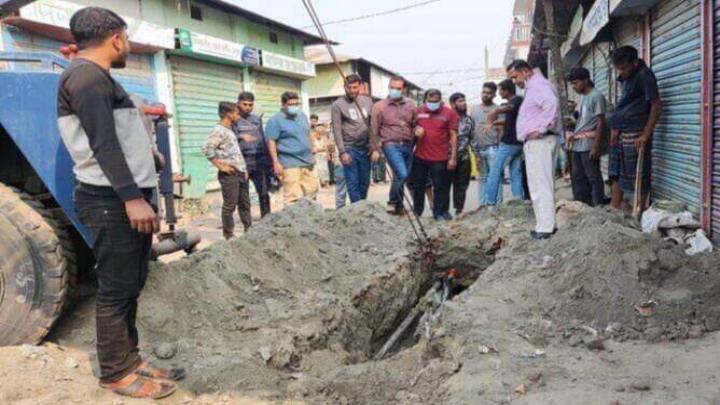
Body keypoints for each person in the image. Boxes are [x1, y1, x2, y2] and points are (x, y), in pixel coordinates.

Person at [57, 7, 182, 398]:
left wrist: (151, 160)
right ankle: (114, 372)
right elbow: (102, 143)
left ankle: (130, 361)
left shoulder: (95, 77)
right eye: (126, 39)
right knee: (116, 288)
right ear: (116, 38)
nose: (127, 45)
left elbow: (118, 135)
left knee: (130, 283)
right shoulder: (86, 78)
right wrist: (132, 198)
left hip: (120, 196)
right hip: (109, 199)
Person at [508, 59, 563, 240]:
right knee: (540, 185)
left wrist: (541, 129)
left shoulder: (538, 84)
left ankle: (546, 228)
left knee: (541, 185)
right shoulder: (534, 86)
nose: (514, 81)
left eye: (515, 76)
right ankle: (545, 225)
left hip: (540, 142)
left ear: (525, 71)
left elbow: (551, 104)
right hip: (539, 142)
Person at [609, 46, 661, 211]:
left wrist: (645, 134)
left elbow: (656, 105)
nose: (621, 72)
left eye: (624, 68)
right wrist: (616, 128)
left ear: (635, 62)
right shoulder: (627, 77)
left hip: (636, 132)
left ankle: (638, 212)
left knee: (639, 174)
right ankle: (615, 206)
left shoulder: (645, 75)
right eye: (618, 69)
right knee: (616, 171)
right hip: (622, 132)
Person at [371, 76, 417, 215]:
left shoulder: (411, 105)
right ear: (388, 87)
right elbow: (373, 129)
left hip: (408, 144)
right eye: (392, 87)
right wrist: (374, 149)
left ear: (403, 89)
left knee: (400, 175)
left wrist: (416, 138)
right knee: (402, 173)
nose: (395, 90)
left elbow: (415, 125)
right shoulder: (379, 106)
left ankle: (398, 206)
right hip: (390, 144)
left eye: (398, 88)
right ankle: (392, 202)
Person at [409, 89, 458, 220]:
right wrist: (415, 131)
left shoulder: (449, 113)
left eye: (436, 101)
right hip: (420, 156)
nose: (433, 104)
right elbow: (411, 128)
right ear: (425, 100)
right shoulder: (419, 111)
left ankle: (439, 213)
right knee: (418, 185)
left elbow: (453, 136)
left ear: (441, 101)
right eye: (430, 101)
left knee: (440, 187)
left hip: (440, 157)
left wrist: (453, 157)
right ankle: (417, 211)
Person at [203, 102, 249, 239]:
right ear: (229, 114)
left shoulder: (230, 129)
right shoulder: (219, 130)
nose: (238, 116)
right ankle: (229, 235)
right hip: (230, 174)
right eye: (237, 113)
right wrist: (220, 166)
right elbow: (207, 148)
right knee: (230, 205)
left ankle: (249, 230)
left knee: (245, 204)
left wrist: (244, 169)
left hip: (239, 172)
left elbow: (235, 152)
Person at [265, 91, 319, 204]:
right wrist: (276, 163)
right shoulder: (275, 120)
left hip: (307, 161)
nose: (294, 107)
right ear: (283, 105)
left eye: (296, 104)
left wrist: (312, 147)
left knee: (312, 192)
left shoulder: (302, 116)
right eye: (290, 104)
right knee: (293, 197)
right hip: (290, 163)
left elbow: (308, 133)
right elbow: (271, 142)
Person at [332, 74, 378, 203]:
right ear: (344, 87)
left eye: (355, 87)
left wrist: (375, 148)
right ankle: (356, 208)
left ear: (360, 87)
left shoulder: (367, 101)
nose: (352, 90)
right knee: (353, 182)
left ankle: (362, 206)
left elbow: (373, 126)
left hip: (365, 149)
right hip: (349, 148)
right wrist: (342, 152)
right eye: (349, 87)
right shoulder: (338, 104)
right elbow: (336, 130)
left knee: (364, 182)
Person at [566, 67, 608, 206]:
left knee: (593, 176)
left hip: (589, 143)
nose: (574, 87)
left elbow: (601, 121)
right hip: (579, 143)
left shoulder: (596, 96)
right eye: (572, 84)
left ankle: (598, 205)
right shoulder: (584, 97)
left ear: (585, 80)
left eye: (576, 83)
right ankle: (582, 204)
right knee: (578, 176)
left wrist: (596, 146)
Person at [485, 79, 526, 206]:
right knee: (515, 172)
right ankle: (518, 201)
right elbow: (514, 121)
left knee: (494, 173)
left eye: (500, 90)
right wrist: (499, 122)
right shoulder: (514, 102)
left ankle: (490, 203)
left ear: (507, 91)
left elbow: (510, 108)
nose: (499, 93)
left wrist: (495, 111)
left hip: (509, 144)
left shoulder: (516, 100)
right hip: (517, 143)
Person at [234, 91, 271, 220]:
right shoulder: (233, 118)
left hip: (258, 160)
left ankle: (266, 220)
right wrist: (240, 136)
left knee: (264, 193)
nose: (248, 107)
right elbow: (228, 138)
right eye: (245, 104)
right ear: (238, 103)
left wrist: (269, 160)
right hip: (241, 161)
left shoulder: (256, 119)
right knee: (243, 196)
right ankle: (247, 224)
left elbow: (263, 138)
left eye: (251, 105)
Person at [471, 82, 502, 207]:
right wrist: (474, 149)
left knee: (495, 178)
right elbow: (472, 129)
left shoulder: (498, 109)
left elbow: (501, 130)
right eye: (484, 92)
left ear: (494, 94)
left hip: (493, 148)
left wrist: (499, 147)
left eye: (489, 93)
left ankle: (497, 205)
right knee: (482, 178)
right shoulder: (474, 109)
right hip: (478, 149)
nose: (485, 95)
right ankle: (483, 205)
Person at [449, 92, 474, 215]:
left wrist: (477, 154)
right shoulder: (447, 118)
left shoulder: (469, 120)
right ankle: (442, 210)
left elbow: (472, 138)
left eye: (464, 100)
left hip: (464, 156)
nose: (463, 103)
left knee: (462, 184)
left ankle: (459, 209)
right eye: (460, 101)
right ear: (453, 104)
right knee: (445, 184)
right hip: (447, 156)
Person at [310, 114, 331, 187]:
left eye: (315, 121)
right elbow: (312, 147)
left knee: (325, 169)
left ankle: (326, 182)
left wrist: (327, 154)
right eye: (312, 121)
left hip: (323, 155)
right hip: (317, 155)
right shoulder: (310, 132)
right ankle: (320, 183)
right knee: (318, 169)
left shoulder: (323, 136)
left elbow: (326, 146)